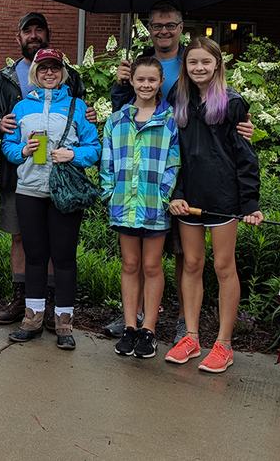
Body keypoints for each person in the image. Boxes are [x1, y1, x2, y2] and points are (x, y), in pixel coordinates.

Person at [104, 1, 254, 342]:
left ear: (181, 27)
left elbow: (221, 113)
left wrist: (243, 127)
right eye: (157, 25)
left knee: (182, 255)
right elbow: (123, 115)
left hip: (184, 171)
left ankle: (179, 319)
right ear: (150, 28)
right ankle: (139, 315)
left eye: (170, 25)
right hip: (153, 175)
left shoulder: (191, 61)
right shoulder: (140, 61)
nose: (163, 31)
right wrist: (120, 84)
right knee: (143, 253)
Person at [165, 37, 263, 373]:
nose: (199, 68)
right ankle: (191, 336)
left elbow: (245, 156)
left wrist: (249, 203)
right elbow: (170, 153)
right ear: (185, 66)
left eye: (205, 62)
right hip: (188, 197)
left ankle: (223, 343)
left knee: (224, 267)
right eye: (193, 62)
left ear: (218, 64)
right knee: (191, 264)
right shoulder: (177, 100)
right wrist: (174, 193)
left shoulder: (232, 103)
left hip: (223, 197)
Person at [0, 12, 88, 330]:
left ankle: (58, 311)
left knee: (60, 249)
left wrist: (76, 149)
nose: (33, 35)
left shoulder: (72, 90)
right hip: (23, 179)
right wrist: (4, 132)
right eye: (26, 30)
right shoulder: (9, 85)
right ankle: (27, 305)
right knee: (26, 242)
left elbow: (86, 133)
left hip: (60, 182)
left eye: (38, 30)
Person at [1, 48, 100, 350]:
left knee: (64, 257)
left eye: (55, 69)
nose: (49, 73)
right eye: (43, 68)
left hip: (63, 192)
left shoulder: (77, 106)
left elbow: (94, 148)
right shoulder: (20, 108)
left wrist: (73, 154)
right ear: (35, 72)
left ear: (62, 73)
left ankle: (64, 322)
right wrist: (23, 152)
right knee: (34, 255)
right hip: (30, 190)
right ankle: (32, 318)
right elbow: (9, 147)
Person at [101, 56, 180, 359]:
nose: (146, 85)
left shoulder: (169, 119)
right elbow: (107, 159)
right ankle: (130, 326)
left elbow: (174, 161)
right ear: (131, 81)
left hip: (153, 206)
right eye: (140, 80)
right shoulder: (117, 119)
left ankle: (149, 328)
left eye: (152, 80)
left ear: (160, 83)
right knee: (130, 265)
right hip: (124, 203)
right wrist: (109, 191)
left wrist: (163, 196)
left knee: (152, 266)